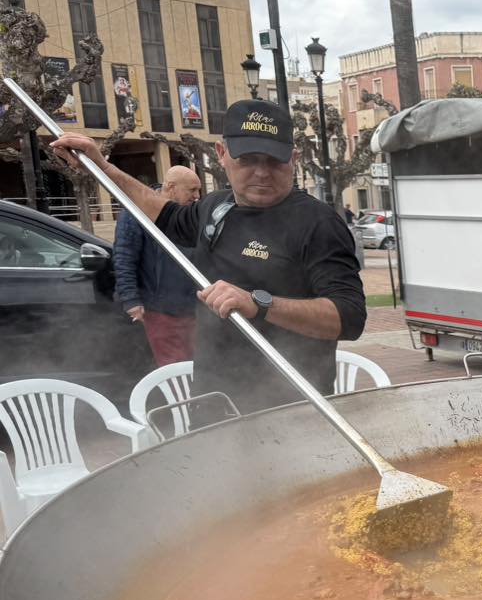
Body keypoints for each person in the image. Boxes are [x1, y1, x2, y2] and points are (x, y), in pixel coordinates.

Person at [51, 99, 366, 414]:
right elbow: (164, 214)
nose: (261, 172)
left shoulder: (319, 224)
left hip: (290, 406)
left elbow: (349, 318)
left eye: (274, 160)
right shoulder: (216, 207)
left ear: (294, 159)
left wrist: (260, 304)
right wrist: (103, 168)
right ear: (221, 155)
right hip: (211, 401)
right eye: (248, 159)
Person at [112, 166, 202, 366]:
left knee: (197, 365)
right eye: (192, 190)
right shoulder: (135, 211)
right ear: (171, 187)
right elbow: (124, 256)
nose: (197, 196)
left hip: (193, 307)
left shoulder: (191, 214)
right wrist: (130, 299)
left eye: (199, 190)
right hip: (159, 308)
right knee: (173, 367)